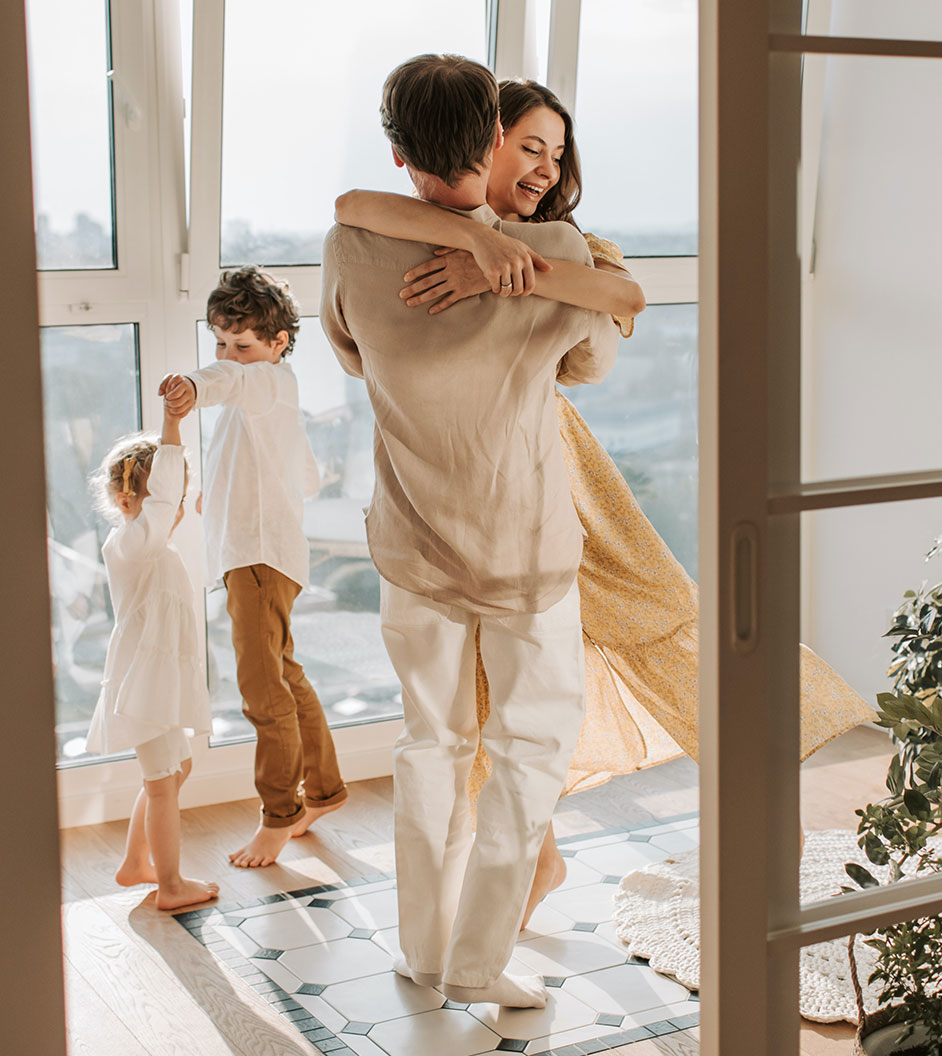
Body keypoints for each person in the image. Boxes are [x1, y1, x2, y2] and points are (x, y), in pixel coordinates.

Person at [335, 77, 875, 924]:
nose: (545, 168)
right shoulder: (412, 233)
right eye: (528, 148)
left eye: (558, 153)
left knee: (654, 626)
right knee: (485, 699)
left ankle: (759, 778)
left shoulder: (566, 248)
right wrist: (474, 245)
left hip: (554, 472)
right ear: (483, 147)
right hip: (467, 495)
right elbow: (356, 199)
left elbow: (618, 311)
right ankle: (530, 867)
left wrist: (503, 272)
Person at [320, 55, 618, 1009]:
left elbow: (350, 354)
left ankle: (424, 950)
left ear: (397, 150)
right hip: (526, 550)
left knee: (428, 746)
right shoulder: (559, 256)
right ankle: (482, 962)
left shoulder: (350, 245)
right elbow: (593, 364)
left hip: (412, 547)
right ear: (495, 141)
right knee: (528, 753)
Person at [160, 266, 347, 869]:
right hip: (267, 552)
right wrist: (228, 490)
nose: (229, 356)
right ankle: (321, 791)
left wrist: (195, 381)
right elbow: (306, 472)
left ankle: (279, 814)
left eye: (242, 345)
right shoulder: (276, 393)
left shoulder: (261, 383)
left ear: (277, 343)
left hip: (258, 558)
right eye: (219, 343)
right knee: (284, 674)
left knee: (262, 691)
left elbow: (225, 385)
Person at [86, 407, 217, 910]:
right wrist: (172, 425)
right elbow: (159, 500)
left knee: (173, 773)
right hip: (145, 686)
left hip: (157, 683)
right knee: (163, 784)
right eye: (169, 499)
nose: (176, 506)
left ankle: (134, 863)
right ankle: (170, 885)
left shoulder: (148, 545)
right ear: (127, 501)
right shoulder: (133, 543)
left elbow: (161, 499)